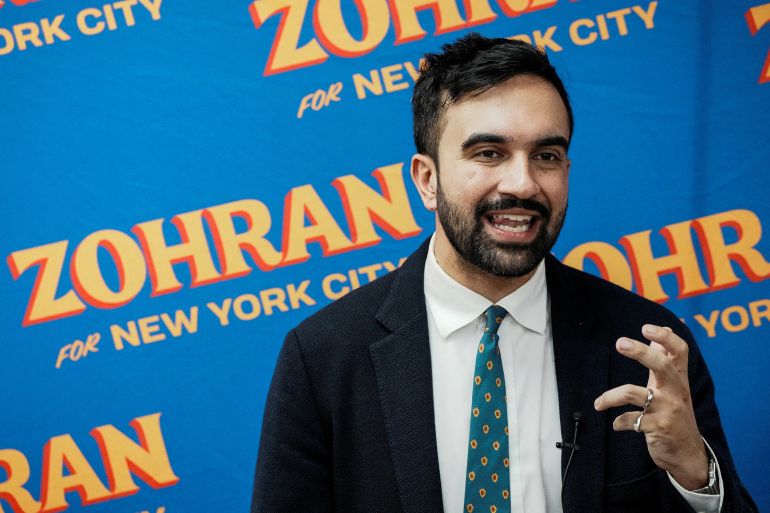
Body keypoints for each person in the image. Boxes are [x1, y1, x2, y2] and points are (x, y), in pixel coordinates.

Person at [251, 33, 757, 513]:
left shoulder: (648, 349)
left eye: (546, 156)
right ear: (427, 180)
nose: (522, 183)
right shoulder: (322, 358)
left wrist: (695, 472)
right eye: (488, 153)